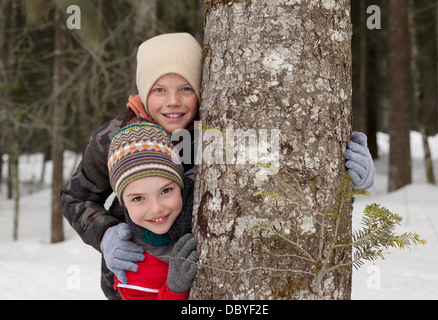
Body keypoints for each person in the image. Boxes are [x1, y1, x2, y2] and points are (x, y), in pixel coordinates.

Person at [61, 32, 375, 300]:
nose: (173, 101)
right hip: (136, 280)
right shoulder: (112, 138)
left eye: (185, 88)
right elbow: (75, 197)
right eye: (159, 90)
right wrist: (106, 234)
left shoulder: (220, 128)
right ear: (144, 91)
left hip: (210, 276)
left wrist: (339, 170)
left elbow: (280, 163)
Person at [105, 118, 198, 299]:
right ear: (123, 202)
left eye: (166, 190)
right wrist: (174, 288)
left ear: (181, 185)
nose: (156, 209)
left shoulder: (207, 199)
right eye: (138, 198)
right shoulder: (132, 265)